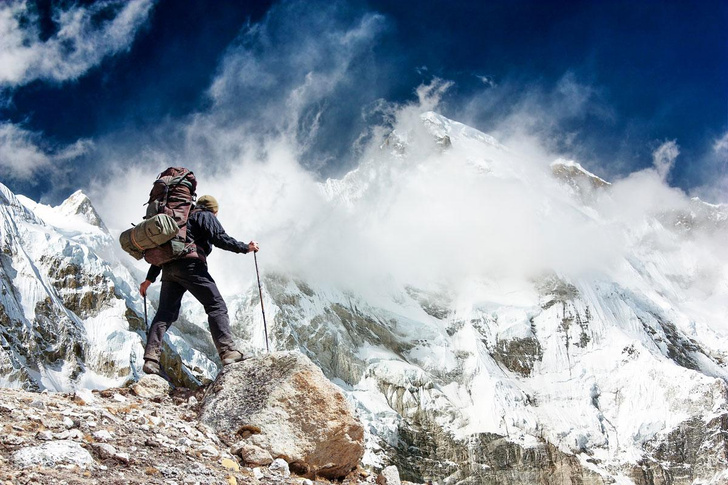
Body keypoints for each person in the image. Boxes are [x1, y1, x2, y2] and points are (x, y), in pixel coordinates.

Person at [139, 194, 259, 375]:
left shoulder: (178, 222)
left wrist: (148, 281)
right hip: (191, 266)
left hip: (169, 269)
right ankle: (228, 351)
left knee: (165, 313)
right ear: (214, 210)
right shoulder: (205, 215)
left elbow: (161, 253)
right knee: (215, 305)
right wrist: (245, 247)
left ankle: (151, 359)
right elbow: (220, 238)